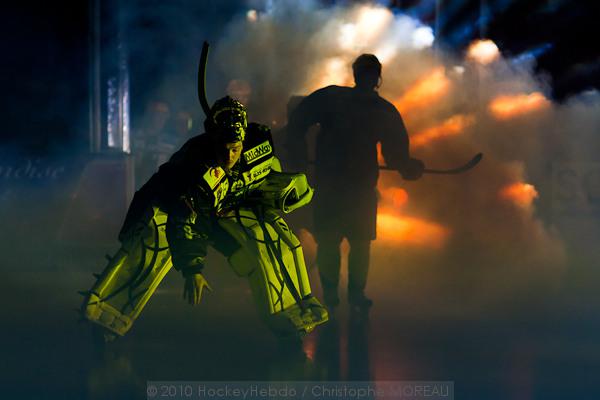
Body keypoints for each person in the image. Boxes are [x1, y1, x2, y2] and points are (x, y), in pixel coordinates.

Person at [82, 96, 328, 341]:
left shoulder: (260, 141)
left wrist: (282, 190)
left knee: (269, 237)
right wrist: (192, 269)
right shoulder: (196, 169)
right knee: (151, 242)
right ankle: (107, 312)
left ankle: (294, 311)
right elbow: (184, 220)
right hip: (173, 206)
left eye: (235, 148)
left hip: (228, 203)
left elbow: (267, 170)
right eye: (223, 148)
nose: (229, 156)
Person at [285, 54, 424, 312]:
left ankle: (344, 294)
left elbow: (297, 120)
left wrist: (407, 165)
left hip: (346, 187)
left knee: (348, 244)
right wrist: (406, 166)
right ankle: (340, 294)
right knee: (342, 244)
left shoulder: (339, 100)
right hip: (341, 186)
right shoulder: (377, 109)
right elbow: (297, 121)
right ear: (376, 77)